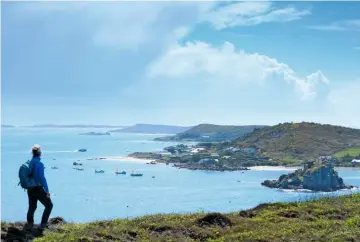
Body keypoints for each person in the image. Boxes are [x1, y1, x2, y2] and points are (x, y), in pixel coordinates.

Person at [26, 144, 53, 229]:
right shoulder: (39, 164)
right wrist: (47, 191)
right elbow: (42, 178)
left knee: (32, 207)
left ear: (32, 153)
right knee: (49, 205)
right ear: (40, 153)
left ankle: (29, 224)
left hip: (30, 188)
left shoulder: (30, 163)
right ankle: (43, 225)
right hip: (38, 188)